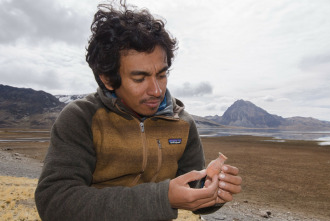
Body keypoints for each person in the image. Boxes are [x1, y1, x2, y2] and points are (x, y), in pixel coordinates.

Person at [35, 2, 242, 220]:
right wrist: (161, 198)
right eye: (139, 78)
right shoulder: (81, 118)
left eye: (162, 75)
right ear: (108, 79)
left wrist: (211, 190)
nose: (156, 90)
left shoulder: (182, 124)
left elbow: (190, 191)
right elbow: (54, 202)